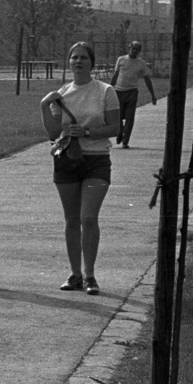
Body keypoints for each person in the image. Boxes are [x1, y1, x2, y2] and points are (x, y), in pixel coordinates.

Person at [42, 41, 121, 296]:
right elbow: (54, 132)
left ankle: (90, 275)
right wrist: (45, 105)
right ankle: (75, 274)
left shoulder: (105, 91)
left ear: (92, 62)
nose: (78, 61)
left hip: (96, 159)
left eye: (83, 57)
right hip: (67, 160)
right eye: (74, 57)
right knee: (71, 219)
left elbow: (115, 128)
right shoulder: (61, 94)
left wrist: (86, 131)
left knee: (89, 217)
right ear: (69, 62)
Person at [111, 40, 157, 148]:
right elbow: (115, 75)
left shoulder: (141, 63)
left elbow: (147, 79)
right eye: (133, 48)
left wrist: (153, 95)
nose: (134, 51)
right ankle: (120, 132)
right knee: (118, 116)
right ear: (129, 48)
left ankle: (125, 141)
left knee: (130, 117)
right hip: (119, 91)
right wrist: (109, 89)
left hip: (132, 92)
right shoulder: (121, 59)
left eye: (137, 49)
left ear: (139, 51)